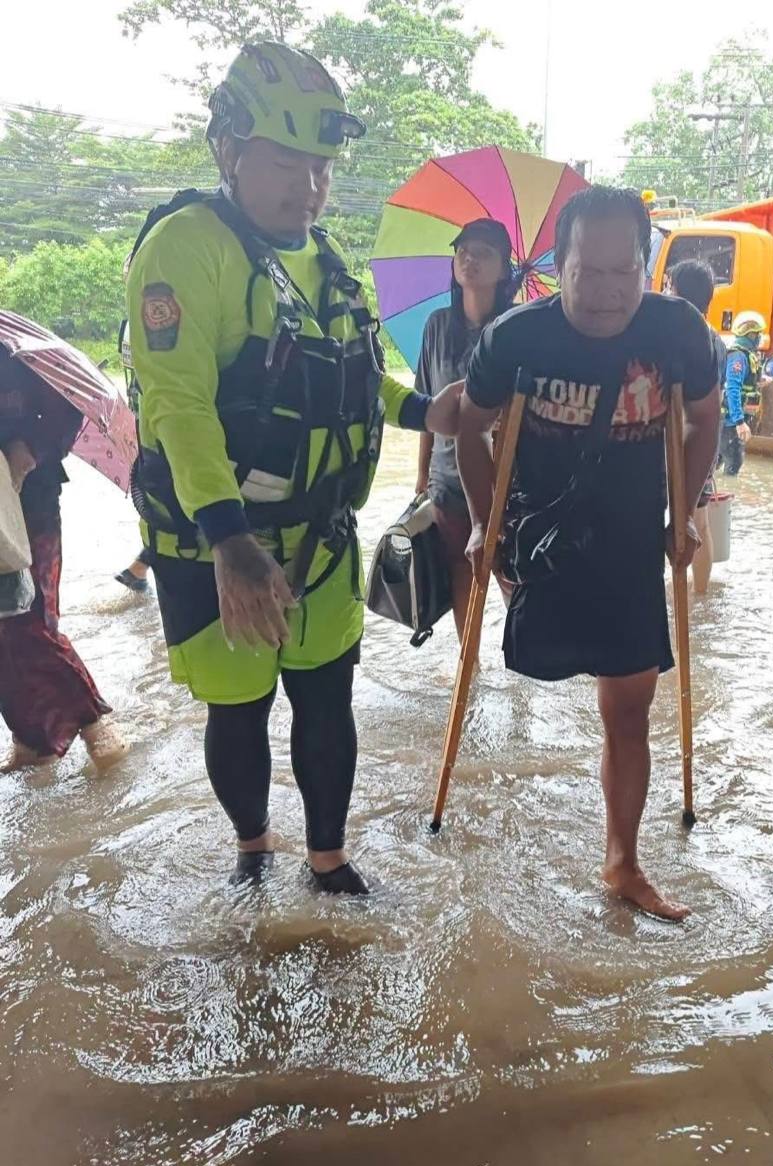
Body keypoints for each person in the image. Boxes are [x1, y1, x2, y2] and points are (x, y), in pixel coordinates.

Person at [125, 41, 461, 892]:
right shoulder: (185, 248)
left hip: (321, 535)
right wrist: (229, 543)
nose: (307, 187)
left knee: (326, 702)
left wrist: (425, 410)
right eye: (285, 162)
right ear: (230, 148)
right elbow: (178, 403)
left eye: (320, 168)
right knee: (237, 709)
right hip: (220, 540)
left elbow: (347, 372)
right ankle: (251, 849)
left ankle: (328, 858)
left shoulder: (322, 260)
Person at [455, 187, 721, 920]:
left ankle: (622, 863)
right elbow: (470, 428)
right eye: (587, 272)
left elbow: (703, 419)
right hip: (539, 537)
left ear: (645, 266)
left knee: (628, 711)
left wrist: (687, 509)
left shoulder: (678, 334)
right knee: (528, 676)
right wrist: (484, 525)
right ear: (557, 267)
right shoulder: (514, 338)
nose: (606, 292)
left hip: (633, 539)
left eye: (623, 272)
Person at [0, 350, 128, 772]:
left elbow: (67, 409)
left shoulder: (16, 354)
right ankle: (32, 740)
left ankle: (95, 724)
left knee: (31, 618)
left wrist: (27, 446)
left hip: (27, 502)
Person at [415, 218, 516, 639]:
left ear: (504, 270)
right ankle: (467, 674)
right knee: (462, 576)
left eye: (483, 253)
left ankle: (523, 679)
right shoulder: (437, 326)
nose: (470, 260)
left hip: (509, 482)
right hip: (447, 480)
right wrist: (421, 476)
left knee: (513, 579)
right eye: (463, 252)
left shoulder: (516, 329)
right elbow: (424, 405)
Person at [665, 259, 727, 594]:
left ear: (675, 291)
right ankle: (700, 594)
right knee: (697, 521)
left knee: (691, 520)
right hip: (703, 442)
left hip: (679, 441)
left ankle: (692, 594)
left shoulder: (680, 337)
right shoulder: (716, 338)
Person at [719, 311, 765, 475]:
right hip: (730, 422)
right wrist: (739, 422)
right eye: (758, 334)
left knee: (716, 464)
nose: (760, 337)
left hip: (730, 422)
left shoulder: (746, 356)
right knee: (733, 464)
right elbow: (733, 388)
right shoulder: (738, 356)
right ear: (751, 335)